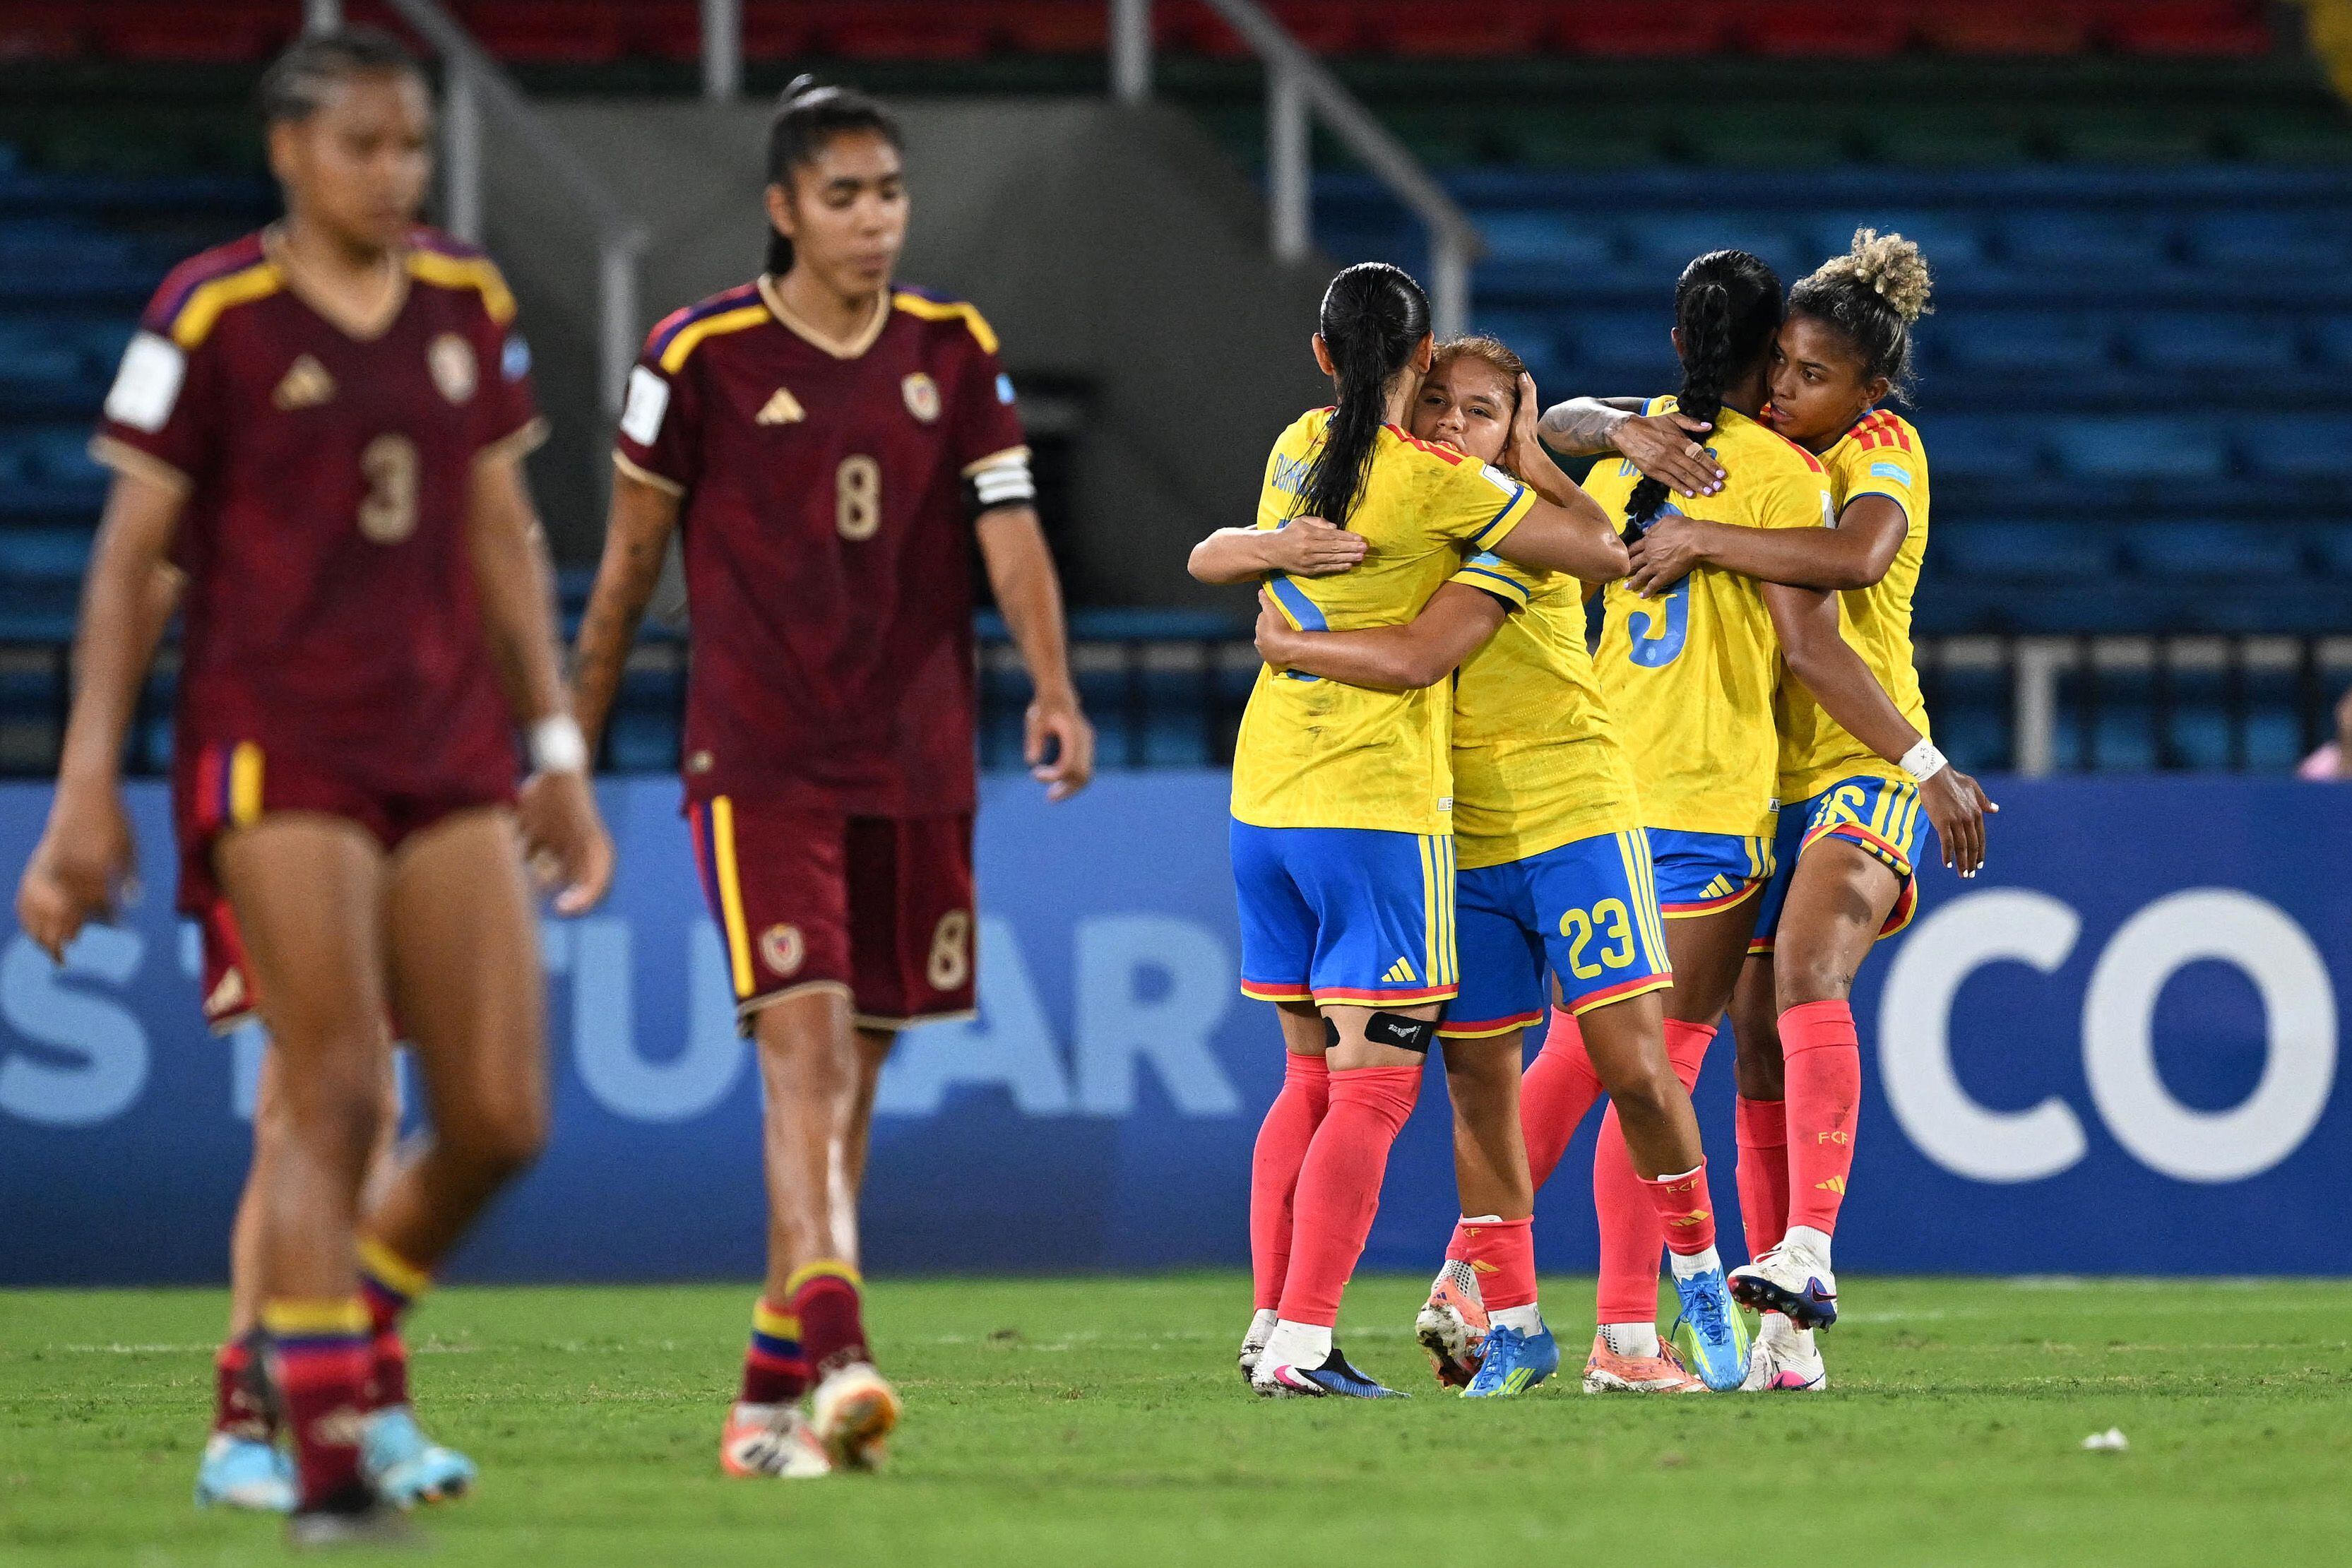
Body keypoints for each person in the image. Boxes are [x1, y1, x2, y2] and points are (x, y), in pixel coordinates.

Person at [13, 28, 610, 1543]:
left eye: (411, 145)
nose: (394, 173)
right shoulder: (212, 311)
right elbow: (130, 560)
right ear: (290, 151)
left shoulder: (467, 302)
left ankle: (316, 1348)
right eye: (363, 146)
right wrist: (89, 785)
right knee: (333, 1089)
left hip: (447, 746)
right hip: (278, 747)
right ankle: (322, 1448)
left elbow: (498, 538)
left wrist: (554, 754)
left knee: (498, 1118)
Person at [567, 78, 1093, 1478]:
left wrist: (1050, 683)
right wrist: (571, 739)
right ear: (783, 207)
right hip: (760, 755)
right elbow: (628, 565)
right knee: (797, 1059)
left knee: (855, 1082)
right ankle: (843, 1346)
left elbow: (1011, 533)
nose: (874, 219)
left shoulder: (952, 347)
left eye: (890, 192)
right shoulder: (700, 354)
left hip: (918, 752)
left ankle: (759, 1406)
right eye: (845, 195)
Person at [1250, 336, 1751, 1397]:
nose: (1449, 425)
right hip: (1456, 839)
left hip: (1573, 817)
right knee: (1481, 1085)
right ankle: (1515, 1320)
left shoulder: (1524, 530)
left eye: (1477, 411)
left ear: (1510, 426)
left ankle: (1698, 1272)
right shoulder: (1418, 508)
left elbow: (1438, 642)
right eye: (1434, 404)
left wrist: (1284, 643)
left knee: (1633, 1064)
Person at [1189, 263, 1628, 1398]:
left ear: (1325, 357)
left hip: (1263, 798)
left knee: (1303, 1082)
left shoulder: (1295, 447)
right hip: (1372, 811)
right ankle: (1302, 1342)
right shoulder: (1434, 483)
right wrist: (1527, 451)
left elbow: (1213, 555)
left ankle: (1264, 1322)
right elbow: (1600, 552)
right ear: (1423, 364)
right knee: (1374, 1090)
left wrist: (1265, 562)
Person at [1624, 232, 1994, 1389]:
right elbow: (1561, 417)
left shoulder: (1882, 449)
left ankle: (1811, 1252)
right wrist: (1620, 428)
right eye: (1779, 366)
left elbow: (1854, 557)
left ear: (1867, 390)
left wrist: (1927, 764)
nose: (1786, 390)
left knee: (1805, 969)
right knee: (1749, 1049)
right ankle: (1784, 1335)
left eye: (1813, 377)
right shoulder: (1747, 446)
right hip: (1752, 777)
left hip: (1867, 758)